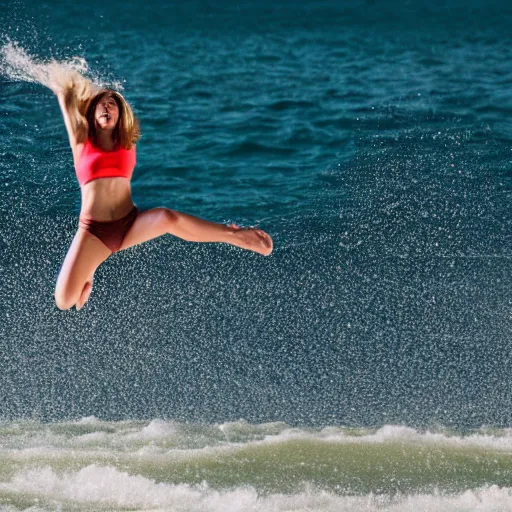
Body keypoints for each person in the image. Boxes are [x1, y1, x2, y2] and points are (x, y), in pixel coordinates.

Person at [48, 72, 273, 311]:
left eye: (112, 104)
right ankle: (90, 266)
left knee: (168, 218)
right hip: (94, 231)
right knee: (64, 302)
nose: (107, 106)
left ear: (120, 114)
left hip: (129, 222)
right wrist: (52, 77)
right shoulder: (81, 140)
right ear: (91, 113)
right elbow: (65, 94)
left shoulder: (126, 143)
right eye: (102, 103)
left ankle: (235, 235)